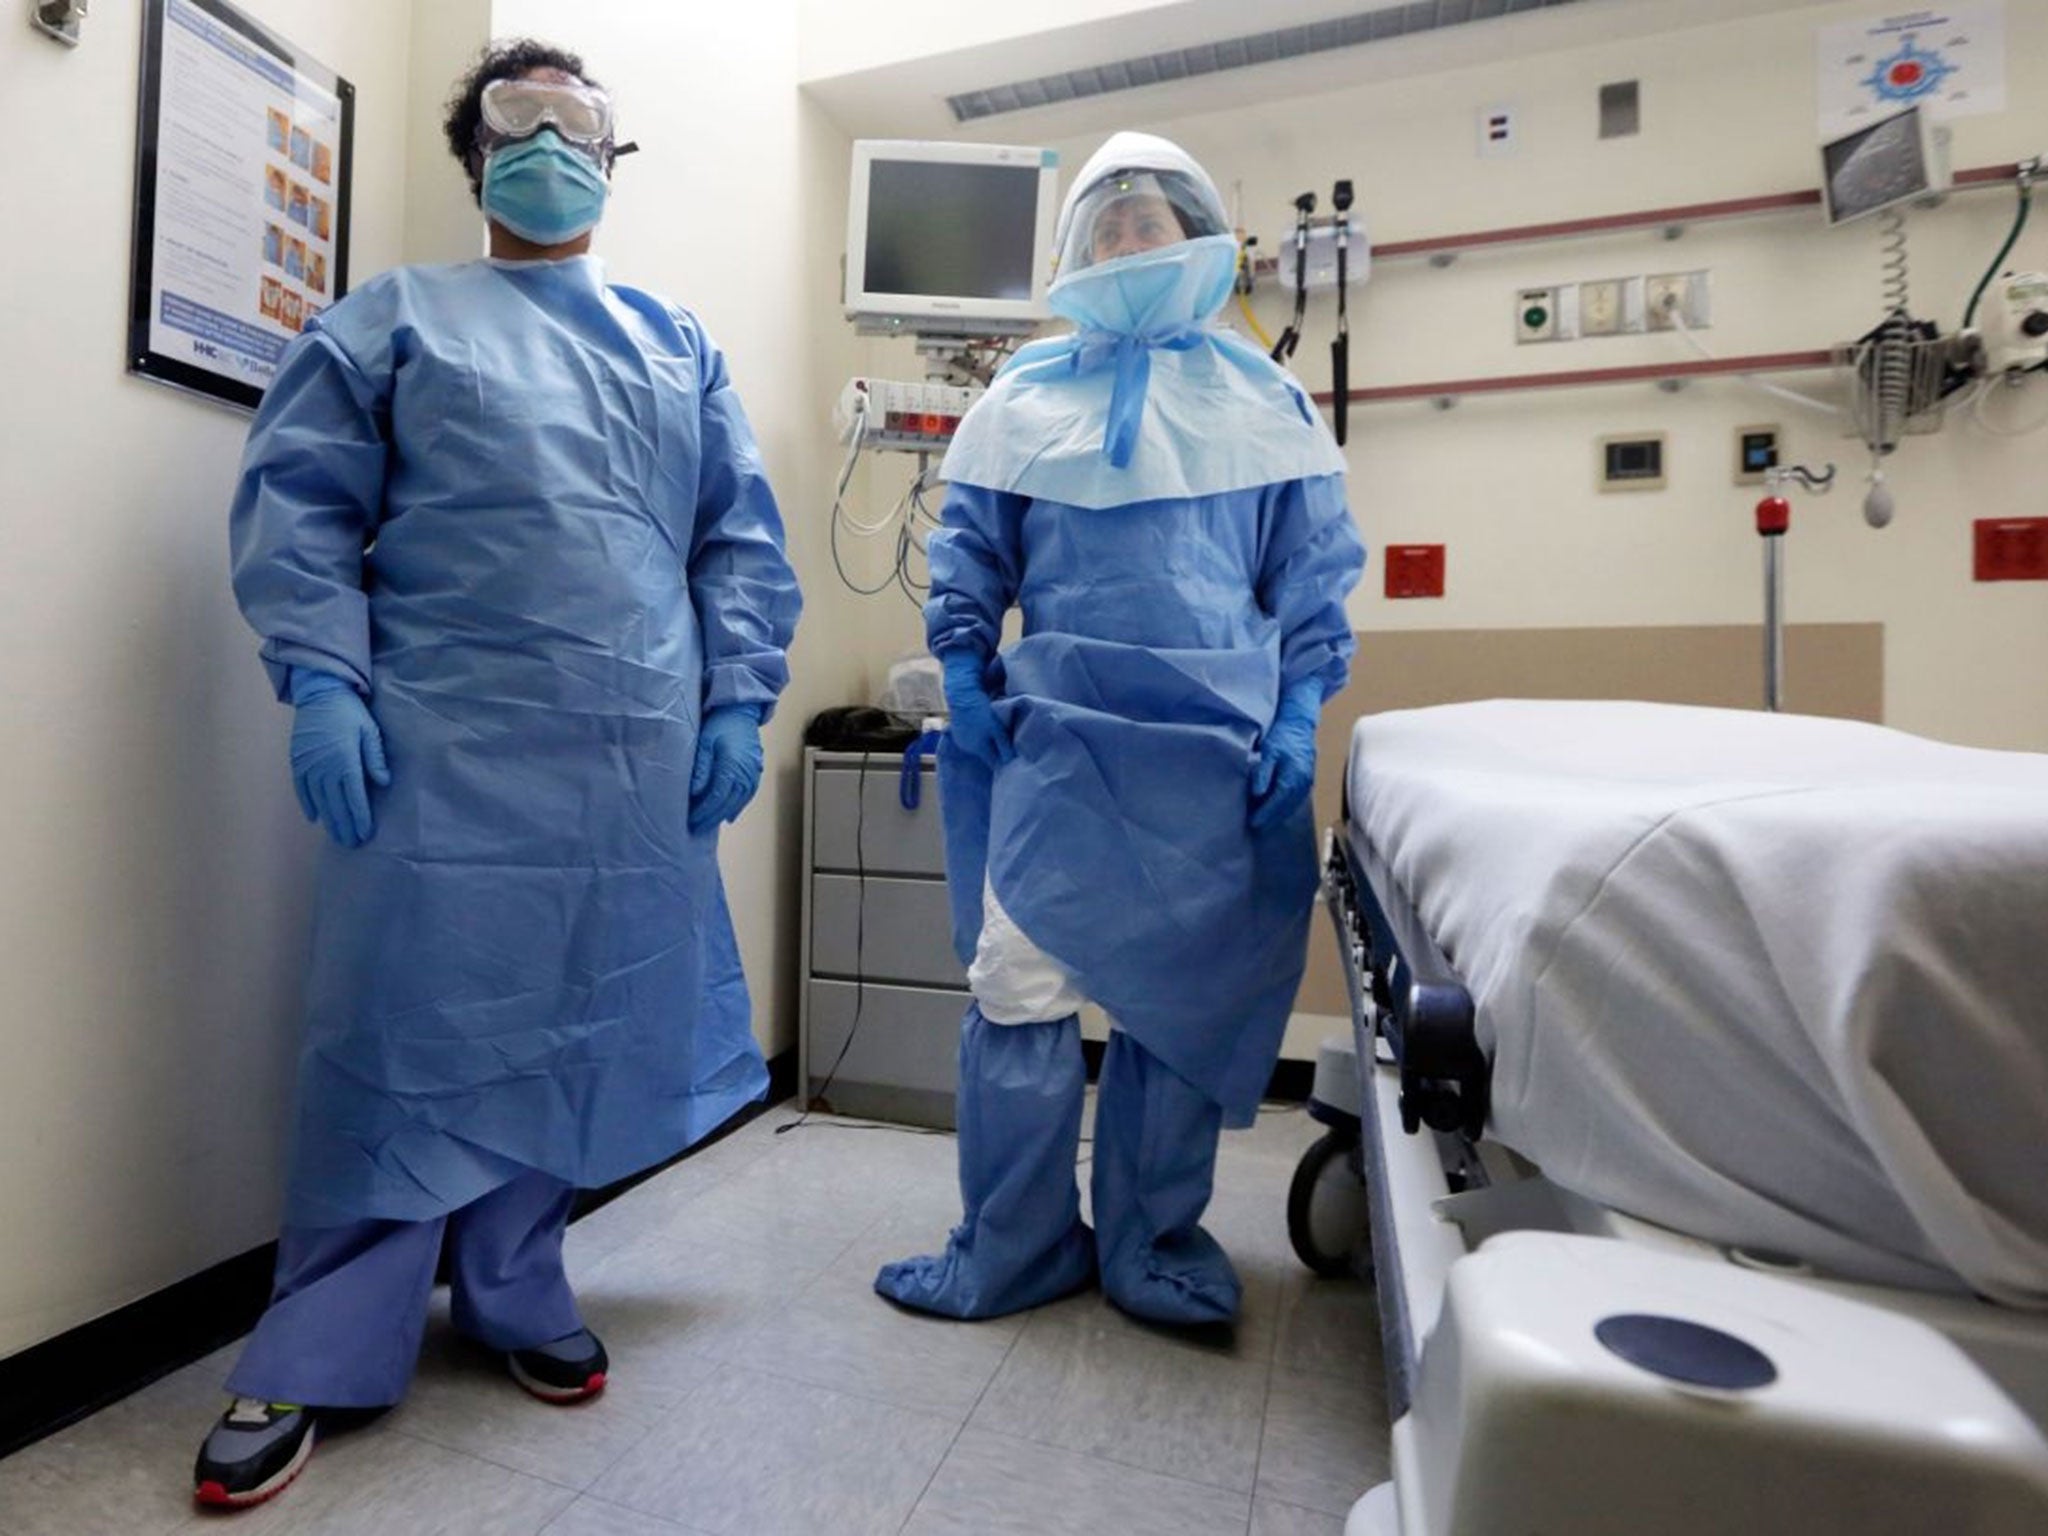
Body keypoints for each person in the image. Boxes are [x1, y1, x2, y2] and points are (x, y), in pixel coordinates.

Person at [193, 40, 801, 1509]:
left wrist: (737, 706)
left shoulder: (676, 342)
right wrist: (327, 680)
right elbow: (302, 507)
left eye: (573, 121)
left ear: (609, 155)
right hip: (439, 743)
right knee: (398, 1021)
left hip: (626, 745)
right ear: (476, 156)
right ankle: (326, 1335)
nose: (546, 142)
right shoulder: (389, 321)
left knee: (573, 1015)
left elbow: (739, 543)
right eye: (515, 120)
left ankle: (521, 1283)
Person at [875, 133, 1365, 1326]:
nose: (1130, 242)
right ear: (1075, 253)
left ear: (1198, 243)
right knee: (1017, 986)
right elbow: (971, 556)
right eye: (1110, 227)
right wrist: (960, 665)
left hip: (1210, 751)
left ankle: (1150, 1240)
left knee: (1173, 1003)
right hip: (1058, 743)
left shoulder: (1268, 402)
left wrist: (1301, 711)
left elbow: (1310, 582)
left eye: (1151, 224)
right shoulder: (1019, 400)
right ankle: (1014, 1243)